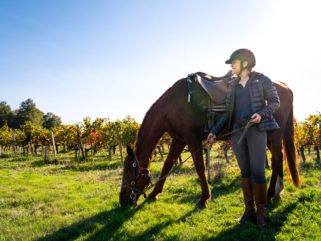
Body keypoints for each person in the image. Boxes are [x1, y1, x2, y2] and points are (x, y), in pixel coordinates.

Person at [207, 49, 280, 227]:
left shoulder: (262, 79)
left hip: (256, 130)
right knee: (245, 172)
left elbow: (275, 102)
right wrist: (214, 131)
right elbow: (227, 113)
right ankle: (249, 210)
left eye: (234, 62)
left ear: (245, 63)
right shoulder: (232, 85)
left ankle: (261, 211)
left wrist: (261, 115)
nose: (231, 66)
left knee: (257, 171)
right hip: (237, 132)